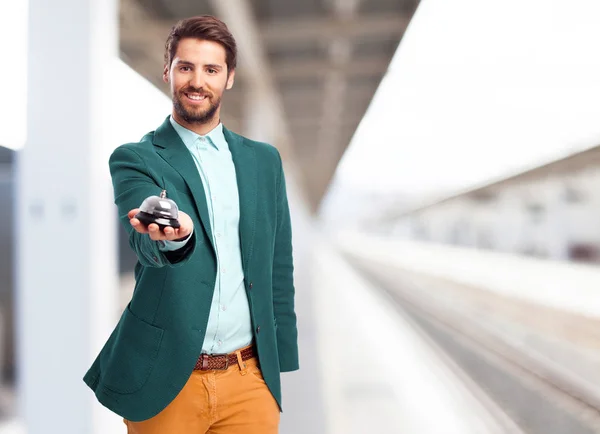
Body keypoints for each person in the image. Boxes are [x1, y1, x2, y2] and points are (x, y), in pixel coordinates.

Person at [83, 15, 299, 434]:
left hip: (248, 379)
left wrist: (280, 359)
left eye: (211, 69)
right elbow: (141, 240)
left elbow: (278, 262)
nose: (196, 80)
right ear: (168, 71)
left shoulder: (263, 161)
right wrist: (174, 239)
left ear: (229, 78)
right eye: (186, 67)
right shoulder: (135, 158)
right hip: (167, 380)